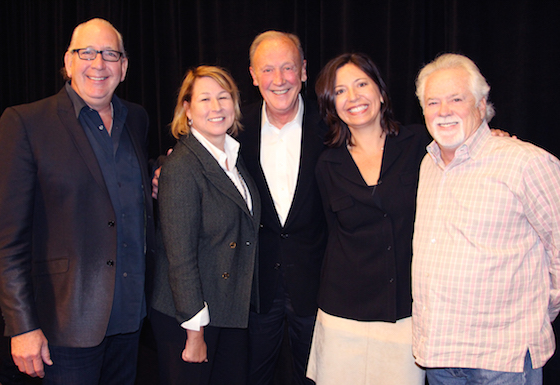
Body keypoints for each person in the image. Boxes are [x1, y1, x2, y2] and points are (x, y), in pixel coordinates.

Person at [0, 18, 155, 385]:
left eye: (110, 54)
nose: (99, 64)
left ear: (124, 67)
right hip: (62, 328)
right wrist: (22, 326)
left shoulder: (137, 120)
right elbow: (5, 240)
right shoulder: (25, 123)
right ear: (68, 62)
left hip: (131, 321)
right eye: (87, 53)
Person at [412, 53, 560, 385]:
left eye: (456, 99)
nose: (444, 110)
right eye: (433, 102)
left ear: (481, 104)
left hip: (502, 359)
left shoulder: (525, 163)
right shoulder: (428, 165)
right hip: (439, 356)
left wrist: (539, 313)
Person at [305, 53, 428, 384]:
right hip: (342, 314)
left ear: (381, 92)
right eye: (341, 91)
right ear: (331, 105)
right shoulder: (327, 165)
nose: (354, 97)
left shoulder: (420, 144)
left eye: (362, 84)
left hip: (404, 312)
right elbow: (330, 235)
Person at [150, 65, 261, 385]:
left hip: (228, 310)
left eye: (223, 97)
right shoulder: (181, 166)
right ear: (187, 109)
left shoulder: (233, 157)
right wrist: (195, 333)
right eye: (205, 99)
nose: (216, 107)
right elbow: (179, 258)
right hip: (190, 318)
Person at [238, 31, 327, 385]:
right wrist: (159, 169)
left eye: (288, 68)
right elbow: (191, 162)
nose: (279, 80)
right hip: (255, 286)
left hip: (317, 285)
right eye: (268, 69)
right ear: (253, 75)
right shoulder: (232, 128)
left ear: (304, 71)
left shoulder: (334, 127)